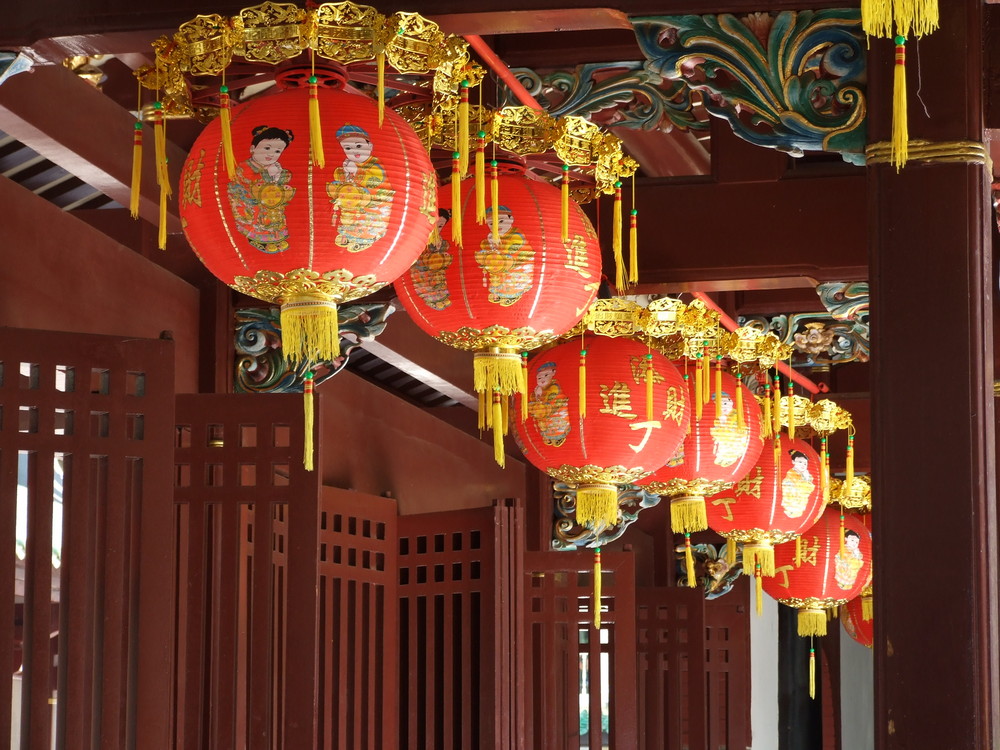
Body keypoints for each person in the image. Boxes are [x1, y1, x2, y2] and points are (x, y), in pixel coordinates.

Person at [326, 124, 394, 253]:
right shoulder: (350, 164)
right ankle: (350, 236)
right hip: (356, 203)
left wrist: (356, 171)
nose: (354, 151)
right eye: (347, 148)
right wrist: (345, 172)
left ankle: (364, 239)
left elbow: (375, 180)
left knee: (364, 222)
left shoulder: (375, 165)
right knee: (350, 217)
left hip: (373, 206)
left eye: (359, 146)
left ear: (370, 146)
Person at [227, 125, 295, 253]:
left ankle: (277, 238)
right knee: (260, 218)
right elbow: (248, 182)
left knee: (274, 217)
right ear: (253, 149)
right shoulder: (245, 166)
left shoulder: (275, 167)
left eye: (277, 151)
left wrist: (278, 175)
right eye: (267, 148)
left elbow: (283, 180)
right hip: (249, 200)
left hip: (269, 201)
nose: (271, 154)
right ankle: (258, 239)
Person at [476, 205, 535, 305]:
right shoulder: (491, 238)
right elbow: (484, 248)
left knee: (510, 283)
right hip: (500, 268)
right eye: (491, 223)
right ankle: (498, 294)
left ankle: (512, 295)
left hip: (517, 267)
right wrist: (490, 244)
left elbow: (513, 249)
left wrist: (498, 245)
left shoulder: (516, 235)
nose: (496, 226)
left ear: (511, 219)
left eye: (501, 221)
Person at [409, 209, 453, 310]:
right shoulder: (419, 240)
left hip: (436, 272)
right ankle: (433, 298)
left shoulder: (441, 242)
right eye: (434, 224)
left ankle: (439, 298)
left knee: (438, 285)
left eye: (440, 226)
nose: (436, 228)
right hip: (423, 272)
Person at [527, 362, 570, 447]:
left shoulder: (554, 387)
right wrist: (536, 396)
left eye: (546, 375)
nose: (542, 379)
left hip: (556, 414)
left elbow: (551, 399)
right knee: (546, 428)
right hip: (546, 417)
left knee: (557, 427)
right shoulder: (538, 389)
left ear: (553, 373)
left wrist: (539, 396)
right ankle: (549, 437)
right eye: (539, 378)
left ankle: (558, 437)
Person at [710, 390, 748, 467]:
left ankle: (728, 458)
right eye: (721, 405)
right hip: (723, 439)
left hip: (735, 439)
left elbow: (742, 429)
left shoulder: (736, 416)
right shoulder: (718, 417)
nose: (725, 408)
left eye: (727, 404)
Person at [780, 450, 814, 517]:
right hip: (792, 500)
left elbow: (809, 489)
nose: (803, 465)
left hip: (801, 501)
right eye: (800, 462)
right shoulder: (791, 473)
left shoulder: (806, 475)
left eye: (805, 463)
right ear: (793, 462)